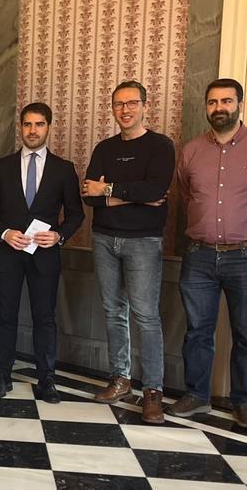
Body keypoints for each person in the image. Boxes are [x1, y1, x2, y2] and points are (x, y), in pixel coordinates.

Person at [169, 79, 247, 430]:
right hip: (199, 255)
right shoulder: (191, 151)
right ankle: (196, 395)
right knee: (197, 331)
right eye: (213, 102)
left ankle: (245, 402)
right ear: (206, 106)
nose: (219, 108)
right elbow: (186, 196)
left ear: (240, 104)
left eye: (227, 101)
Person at [82, 81, 175, 423]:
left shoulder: (160, 146)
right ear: (112, 108)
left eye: (132, 103)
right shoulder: (104, 148)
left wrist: (107, 189)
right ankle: (120, 379)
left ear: (144, 106)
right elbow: (89, 197)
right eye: (119, 104)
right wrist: (133, 197)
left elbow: (156, 190)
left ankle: (152, 391)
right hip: (105, 238)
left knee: (146, 316)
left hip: (143, 241)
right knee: (113, 312)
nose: (125, 110)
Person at [0, 102, 84, 403]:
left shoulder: (63, 169)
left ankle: (46, 380)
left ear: (48, 127)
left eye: (39, 124)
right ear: (21, 127)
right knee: (5, 317)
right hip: (7, 254)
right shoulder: (2, 166)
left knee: (45, 319)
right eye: (27, 124)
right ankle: (2, 376)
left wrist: (59, 235)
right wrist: (4, 233)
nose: (32, 130)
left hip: (44, 256)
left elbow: (76, 214)